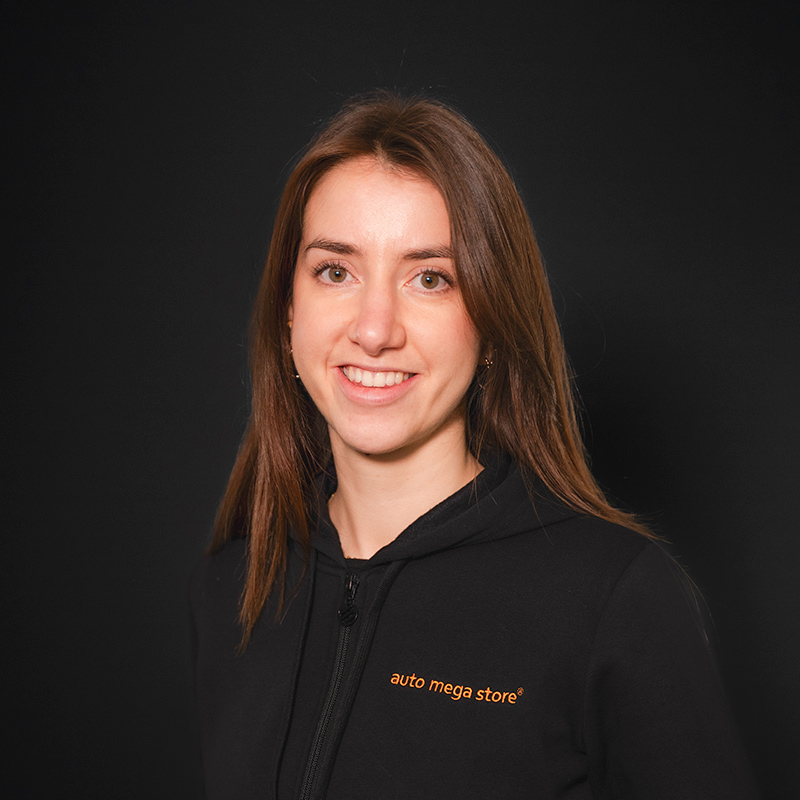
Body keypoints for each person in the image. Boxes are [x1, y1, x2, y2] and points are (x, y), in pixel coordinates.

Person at [191, 92, 757, 799]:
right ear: (288, 307)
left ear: (491, 322)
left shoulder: (615, 597)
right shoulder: (236, 586)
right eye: (336, 271)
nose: (374, 329)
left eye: (430, 278)